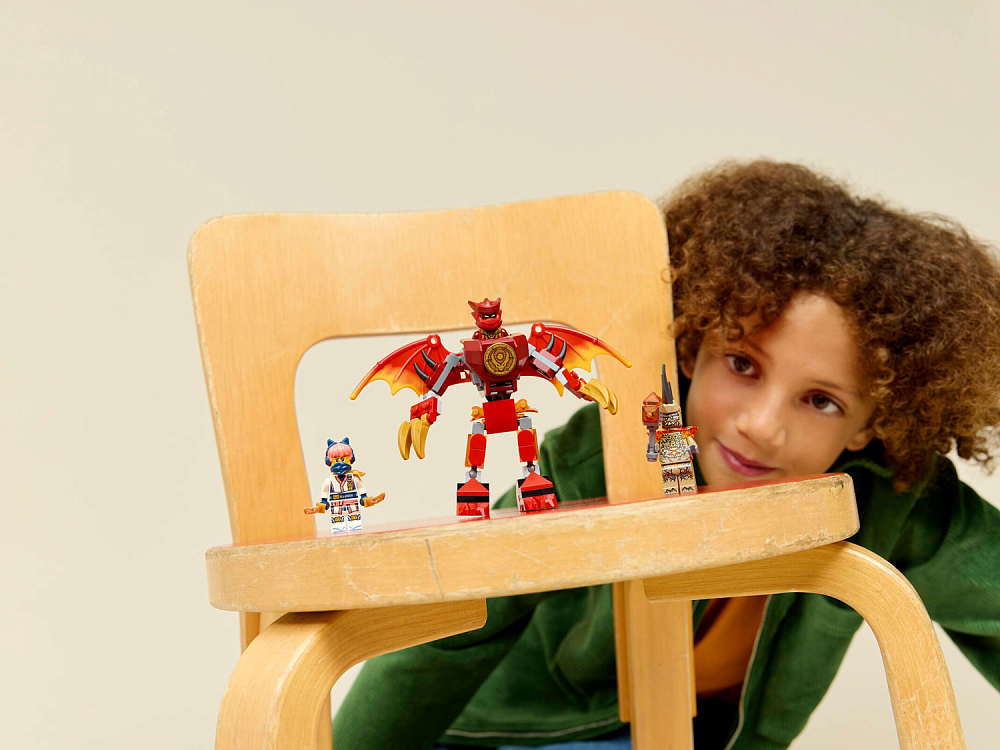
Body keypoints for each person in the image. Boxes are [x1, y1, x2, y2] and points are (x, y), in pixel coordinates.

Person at [331, 160, 1000, 749]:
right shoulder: (611, 448)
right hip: (522, 732)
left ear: (871, 422)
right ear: (691, 346)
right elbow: (459, 624)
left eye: (820, 401)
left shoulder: (897, 500)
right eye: (742, 364)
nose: (761, 427)